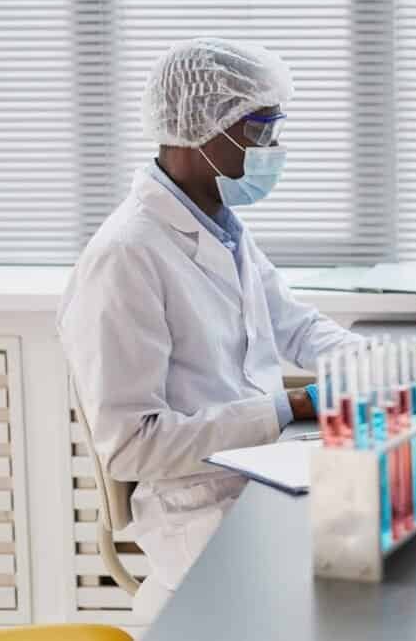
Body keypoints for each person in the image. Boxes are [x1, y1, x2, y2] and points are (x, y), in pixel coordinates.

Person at [57, 38, 361, 618]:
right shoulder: (126, 256)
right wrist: (286, 408)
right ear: (203, 130)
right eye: (261, 129)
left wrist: (395, 369)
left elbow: (295, 325)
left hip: (262, 474)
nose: (275, 148)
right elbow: (131, 446)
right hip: (201, 511)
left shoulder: (217, 221)